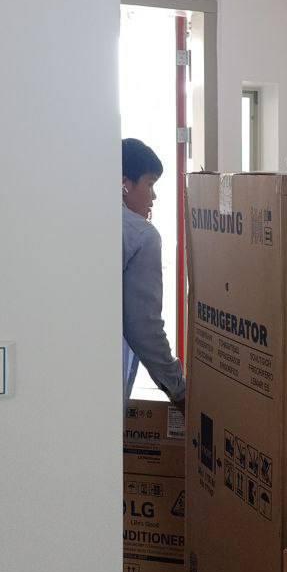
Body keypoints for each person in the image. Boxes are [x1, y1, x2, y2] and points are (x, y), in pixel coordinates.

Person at [122, 138, 185, 407]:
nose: (154, 196)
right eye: (149, 184)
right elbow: (144, 327)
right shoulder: (141, 235)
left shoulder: (82, 218)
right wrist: (178, 389)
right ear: (125, 184)